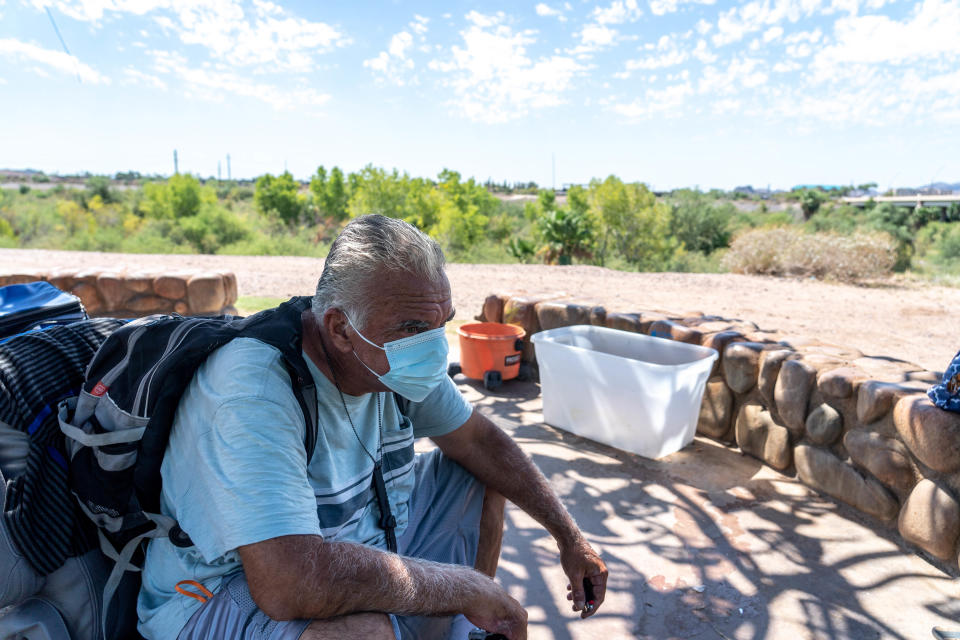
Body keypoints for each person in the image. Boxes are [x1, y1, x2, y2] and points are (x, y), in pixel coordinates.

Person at [137, 214, 608, 640]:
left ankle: (456, 633)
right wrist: (466, 587)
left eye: (440, 323)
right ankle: (446, 616)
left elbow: (479, 441)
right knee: (364, 635)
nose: (431, 346)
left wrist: (569, 538)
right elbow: (289, 583)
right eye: (410, 327)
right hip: (215, 591)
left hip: (351, 537)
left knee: (481, 473)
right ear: (340, 329)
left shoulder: (392, 362)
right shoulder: (255, 391)